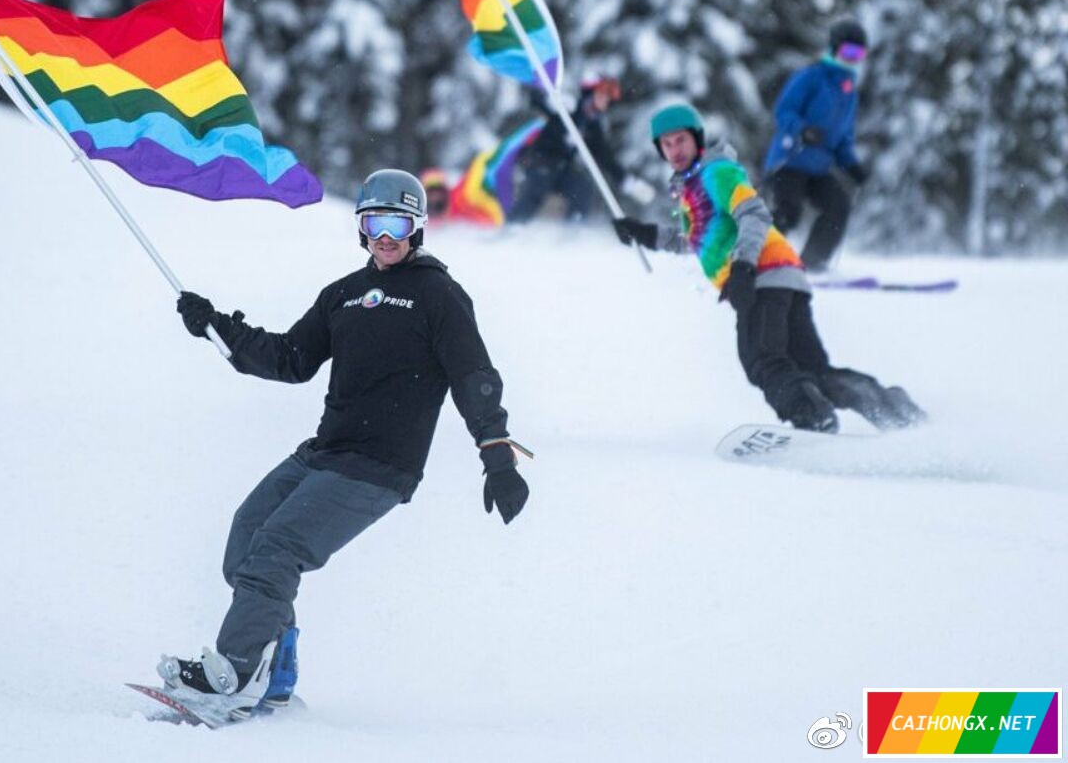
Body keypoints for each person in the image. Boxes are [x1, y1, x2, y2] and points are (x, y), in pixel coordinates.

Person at [160, 169, 531, 720]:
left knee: (278, 548)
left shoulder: (439, 296)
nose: (386, 236)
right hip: (325, 451)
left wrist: (496, 453)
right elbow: (290, 358)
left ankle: (234, 674)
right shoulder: (344, 295)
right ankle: (275, 676)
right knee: (247, 537)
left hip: (380, 466)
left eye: (397, 223)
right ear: (361, 228)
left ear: (417, 227)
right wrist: (216, 326)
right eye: (374, 222)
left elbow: (474, 375)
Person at [613, 103, 925, 433]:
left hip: (761, 274)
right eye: (667, 144)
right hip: (784, 275)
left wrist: (744, 267)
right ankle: (892, 408)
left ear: (697, 139)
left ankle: (812, 418)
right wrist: (645, 234)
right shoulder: (692, 187)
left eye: (681, 140)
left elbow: (754, 214)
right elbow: (699, 241)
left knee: (762, 361)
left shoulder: (716, 173)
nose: (675, 150)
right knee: (812, 369)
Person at [761, 19, 871, 272]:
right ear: (834, 48)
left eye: (859, 54)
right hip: (790, 159)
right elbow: (783, 111)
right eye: (848, 52)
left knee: (838, 205)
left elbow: (843, 137)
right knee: (789, 210)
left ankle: (812, 262)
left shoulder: (849, 90)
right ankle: (761, 258)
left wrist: (851, 165)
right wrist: (802, 130)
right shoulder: (812, 76)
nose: (853, 59)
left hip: (819, 167)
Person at [507, 75, 653, 223]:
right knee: (538, 185)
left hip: (562, 169)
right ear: (591, 93)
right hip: (539, 162)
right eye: (602, 95)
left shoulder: (592, 126)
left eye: (608, 99)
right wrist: (550, 101)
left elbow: (604, 156)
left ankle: (572, 230)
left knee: (582, 186)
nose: (605, 101)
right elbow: (536, 100)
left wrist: (627, 182)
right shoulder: (569, 108)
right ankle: (514, 227)